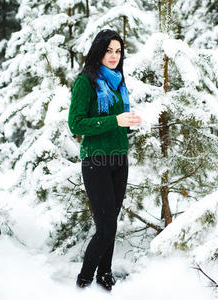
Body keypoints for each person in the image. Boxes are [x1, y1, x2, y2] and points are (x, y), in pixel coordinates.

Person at [68, 29, 142, 291]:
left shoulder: (119, 81)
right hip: (95, 161)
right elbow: (76, 124)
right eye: (109, 50)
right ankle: (85, 278)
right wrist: (116, 120)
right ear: (98, 51)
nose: (114, 56)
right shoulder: (85, 82)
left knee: (112, 222)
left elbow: (119, 122)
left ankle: (105, 273)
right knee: (106, 226)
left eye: (118, 51)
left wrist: (129, 122)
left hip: (119, 159)